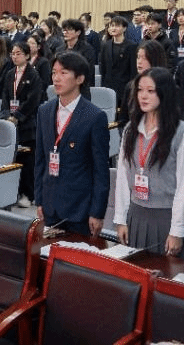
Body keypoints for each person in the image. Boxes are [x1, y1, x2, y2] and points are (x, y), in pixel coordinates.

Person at [114, 67, 184, 258]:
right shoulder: (130, 129)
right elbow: (122, 178)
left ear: (164, 93)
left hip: (166, 218)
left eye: (150, 91)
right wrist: (120, 219)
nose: (143, 96)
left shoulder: (182, 133)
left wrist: (177, 231)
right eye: (140, 90)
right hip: (136, 215)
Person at [35, 51, 110, 236]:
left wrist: (97, 212)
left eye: (63, 73)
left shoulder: (95, 117)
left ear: (80, 79)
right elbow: (40, 160)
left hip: (80, 209)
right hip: (50, 205)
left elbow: (100, 170)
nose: (56, 78)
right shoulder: (44, 111)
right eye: (54, 73)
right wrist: (39, 199)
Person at [0, 41, 43, 208]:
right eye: (13, 53)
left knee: (28, 161)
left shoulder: (33, 74)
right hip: (11, 123)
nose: (15, 56)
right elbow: (5, 96)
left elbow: (33, 99)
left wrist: (18, 116)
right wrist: (6, 114)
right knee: (14, 159)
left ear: (27, 55)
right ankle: (14, 192)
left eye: (18, 53)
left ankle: (29, 194)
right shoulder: (10, 73)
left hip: (27, 123)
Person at [99, 15, 137, 120]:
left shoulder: (131, 46)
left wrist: (131, 88)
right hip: (109, 87)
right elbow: (103, 68)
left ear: (124, 28)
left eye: (117, 26)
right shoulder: (105, 45)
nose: (113, 28)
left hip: (125, 88)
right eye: (111, 26)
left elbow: (133, 70)